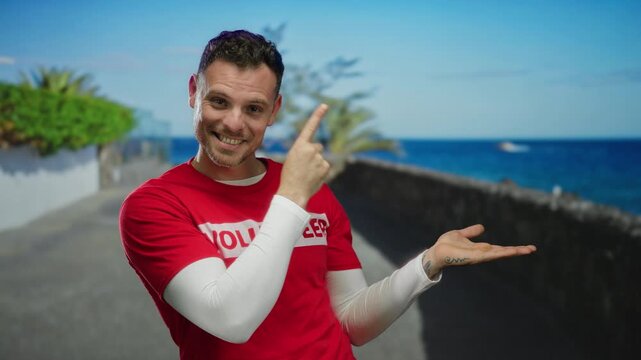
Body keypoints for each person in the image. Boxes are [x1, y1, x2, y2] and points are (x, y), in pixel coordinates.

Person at [119, 30, 536, 360]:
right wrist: (291, 198)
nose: (233, 123)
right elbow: (231, 319)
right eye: (218, 101)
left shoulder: (310, 192)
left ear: (274, 110)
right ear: (193, 91)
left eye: (253, 109)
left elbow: (352, 321)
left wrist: (426, 265)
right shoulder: (154, 206)